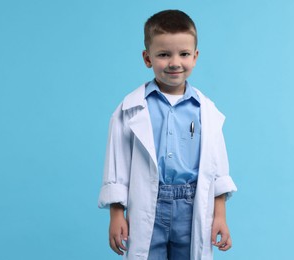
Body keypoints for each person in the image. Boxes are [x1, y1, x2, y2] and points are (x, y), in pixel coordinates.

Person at [98, 9, 237, 260]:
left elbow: (218, 170)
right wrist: (117, 214)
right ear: (147, 58)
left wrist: (220, 216)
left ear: (195, 57)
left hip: (191, 205)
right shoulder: (130, 109)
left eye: (184, 54)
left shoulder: (206, 111)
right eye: (163, 54)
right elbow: (116, 165)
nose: (175, 62)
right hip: (149, 203)